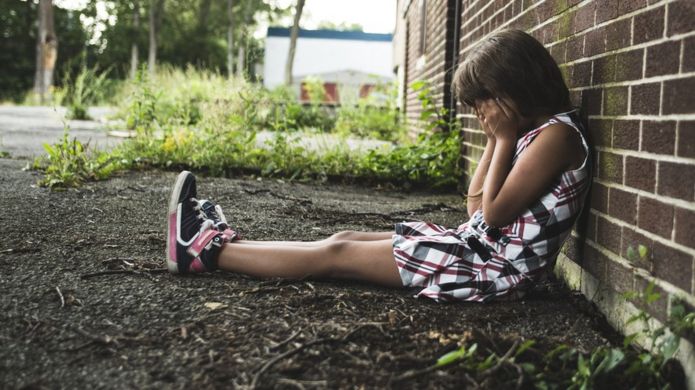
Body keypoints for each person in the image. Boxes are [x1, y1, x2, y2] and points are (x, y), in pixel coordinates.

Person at [165, 29, 591, 303]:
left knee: (338, 254)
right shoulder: (531, 133)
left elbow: (494, 215)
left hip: (493, 269)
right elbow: (476, 209)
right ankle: (220, 243)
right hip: (475, 246)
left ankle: (207, 252)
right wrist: (494, 141)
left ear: (515, 84)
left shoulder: (558, 135)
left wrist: (502, 138)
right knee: (343, 236)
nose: (480, 112)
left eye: (482, 100)